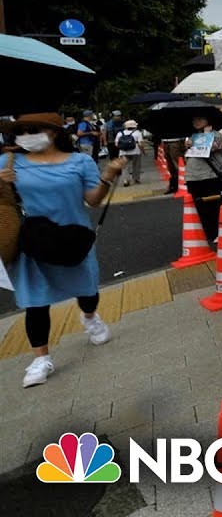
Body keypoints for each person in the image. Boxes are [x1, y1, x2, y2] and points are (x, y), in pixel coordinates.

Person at [0, 113, 127, 387]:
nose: (26, 136)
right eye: (22, 131)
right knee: (36, 301)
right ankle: (40, 358)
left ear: (54, 132)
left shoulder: (80, 161)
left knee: (87, 292)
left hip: (73, 239)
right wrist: (1, 182)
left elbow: (93, 200)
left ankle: (90, 317)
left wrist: (107, 175)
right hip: (31, 241)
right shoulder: (8, 162)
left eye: (34, 130)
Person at [184, 113, 222, 244]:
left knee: (213, 205)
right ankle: (207, 232)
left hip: (209, 175)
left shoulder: (216, 134)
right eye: (194, 119)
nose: (196, 121)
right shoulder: (192, 136)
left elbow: (209, 149)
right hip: (192, 176)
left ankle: (219, 231)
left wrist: (206, 136)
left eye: (200, 118)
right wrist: (187, 144)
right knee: (199, 206)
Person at [114, 119, 144, 187]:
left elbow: (116, 144)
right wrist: (143, 151)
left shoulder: (120, 133)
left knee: (124, 167)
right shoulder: (138, 133)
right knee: (136, 165)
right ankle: (136, 179)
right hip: (136, 151)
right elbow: (140, 144)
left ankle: (125, 180)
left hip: (123, 152)